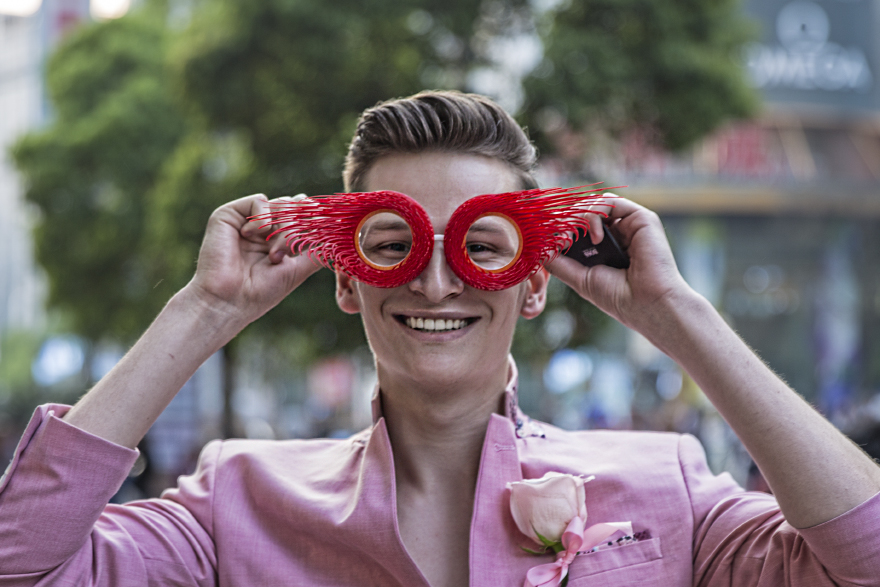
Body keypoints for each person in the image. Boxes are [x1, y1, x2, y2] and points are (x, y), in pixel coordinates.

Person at [1, 90, 879, 587]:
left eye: (480, 247)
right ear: (346, 278)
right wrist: (206, 310)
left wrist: (675, 314)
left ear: (534, 282)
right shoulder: (238, 500)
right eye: (393, 245)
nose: (433, 279)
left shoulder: (669, 488)